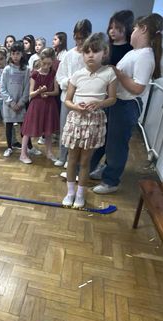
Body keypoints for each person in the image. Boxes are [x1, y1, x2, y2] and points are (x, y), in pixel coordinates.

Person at [93, 14, 163, 194]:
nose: (131, 33)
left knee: (117, 145)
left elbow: (138, 88)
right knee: (108, 141)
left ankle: (111, 181)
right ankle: (106, 170)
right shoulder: (134, 52)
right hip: (117, 103)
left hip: (127, 105)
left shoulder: (145, 56)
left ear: (143, 29)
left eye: (134, 29)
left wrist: (118, 73)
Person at [62, 33, 117, 208]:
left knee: (85, 161)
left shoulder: (109, 73)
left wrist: (99, 103)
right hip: (76, 120)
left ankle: (80, 194)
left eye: (95, 51)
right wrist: (76, 106)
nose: (91, 55)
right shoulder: (77, 75)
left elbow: (112, 98)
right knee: (72, 158)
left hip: (94, 121)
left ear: (104, 53)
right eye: (87, 52)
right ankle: (70, 192)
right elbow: (67, 100)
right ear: (83, 54)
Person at [90, 10, 134, 179]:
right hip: (103, 97)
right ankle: (90, 168)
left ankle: (109, 173)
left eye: (117, 28)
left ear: (126, 28)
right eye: (111, 27)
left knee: (115, 141)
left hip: (119, 98)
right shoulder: (107, 48)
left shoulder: (130, 50)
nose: (112, 31)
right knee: (101, 135)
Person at [55, 19, 92, 167]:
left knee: (80, 131)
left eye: (83, 38)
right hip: (67, 98)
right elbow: (60, 76)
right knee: (65, 128)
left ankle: (73, 160)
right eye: (77, 38)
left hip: (84, 99)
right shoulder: (69, 55)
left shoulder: (90, 55)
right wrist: (69, 82)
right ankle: (62, 156)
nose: (80, 41)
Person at [21, 48, 60, 163]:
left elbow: (56, 91)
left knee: (48, 130)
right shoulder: (35, 74)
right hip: (36, 105)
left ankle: (49, 152)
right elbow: (31, 94)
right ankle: (23, 154)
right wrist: (39, 91)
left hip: (49, 105)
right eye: (44, 63)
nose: (46, 66)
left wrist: (47, 93)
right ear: (40, 60)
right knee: (28, 130)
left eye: (49, 64)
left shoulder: (53, 73)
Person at [0, 41, 30, 158]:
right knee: (9, 126)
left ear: (22, 54)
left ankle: (27, 147)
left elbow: (27, 88)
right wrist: (11, 103)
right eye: (13, 54)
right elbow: (2, 88)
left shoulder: (26, 69)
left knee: (24, 127)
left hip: (20, 104)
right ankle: (9, 147)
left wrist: (21, 103)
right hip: (9, 105)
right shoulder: (7, 69)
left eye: (18, 53)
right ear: (10, 54)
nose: (15, 56)